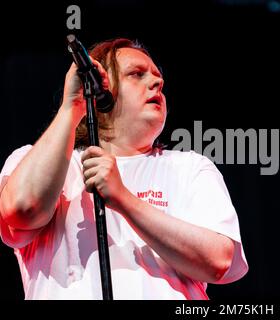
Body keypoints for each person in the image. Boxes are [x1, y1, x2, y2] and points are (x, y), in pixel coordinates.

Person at [0, 38, 248, 299]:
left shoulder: (190, 167)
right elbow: (21, 210)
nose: (157, 83)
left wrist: (123, 199)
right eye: (136, 74)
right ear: (98, 90)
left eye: (157, 78)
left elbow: (219, 261)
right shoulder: (39, 160)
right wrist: (71, 107)